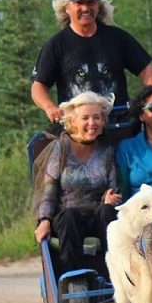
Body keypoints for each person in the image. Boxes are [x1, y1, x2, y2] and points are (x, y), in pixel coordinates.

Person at [30, 0, 152, 136]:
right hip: (77, 130)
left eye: (91, 2)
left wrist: (151, 102)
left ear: (98, 6)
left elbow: (148, 72)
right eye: (79, 3)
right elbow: (38, 87)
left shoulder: (118, 38)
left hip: (118, 124)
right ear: (67, 8)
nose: (86, 8)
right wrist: (50, 107)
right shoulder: (56, 45)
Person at [35, 91, 123, 276]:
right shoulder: (61, 148)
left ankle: (115, 274)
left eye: (97, 117)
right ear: (73, 121)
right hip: (68, 217)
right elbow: (49, 191)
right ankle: (73, 278)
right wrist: (44, 220)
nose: (92, 123)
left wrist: (111, 197)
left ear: (103, 121)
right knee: (69, 216)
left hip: (96, 214)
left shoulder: (106, 150)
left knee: (107, 212)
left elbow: (113, 187)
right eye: (86, 118)